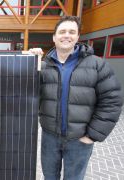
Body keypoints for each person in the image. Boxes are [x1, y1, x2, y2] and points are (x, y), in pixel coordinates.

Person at [30, 16, 123, 180]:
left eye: (71, 32)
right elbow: (26, 92)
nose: (66, 35)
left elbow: (112, 101)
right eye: (62, 31)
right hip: (49, 138)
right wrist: (30, 62)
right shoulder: (43, 66)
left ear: (78, 37)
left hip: (79, 140)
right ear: (54, 37)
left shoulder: (97, 65)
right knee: (49, 177)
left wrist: (92, 135)